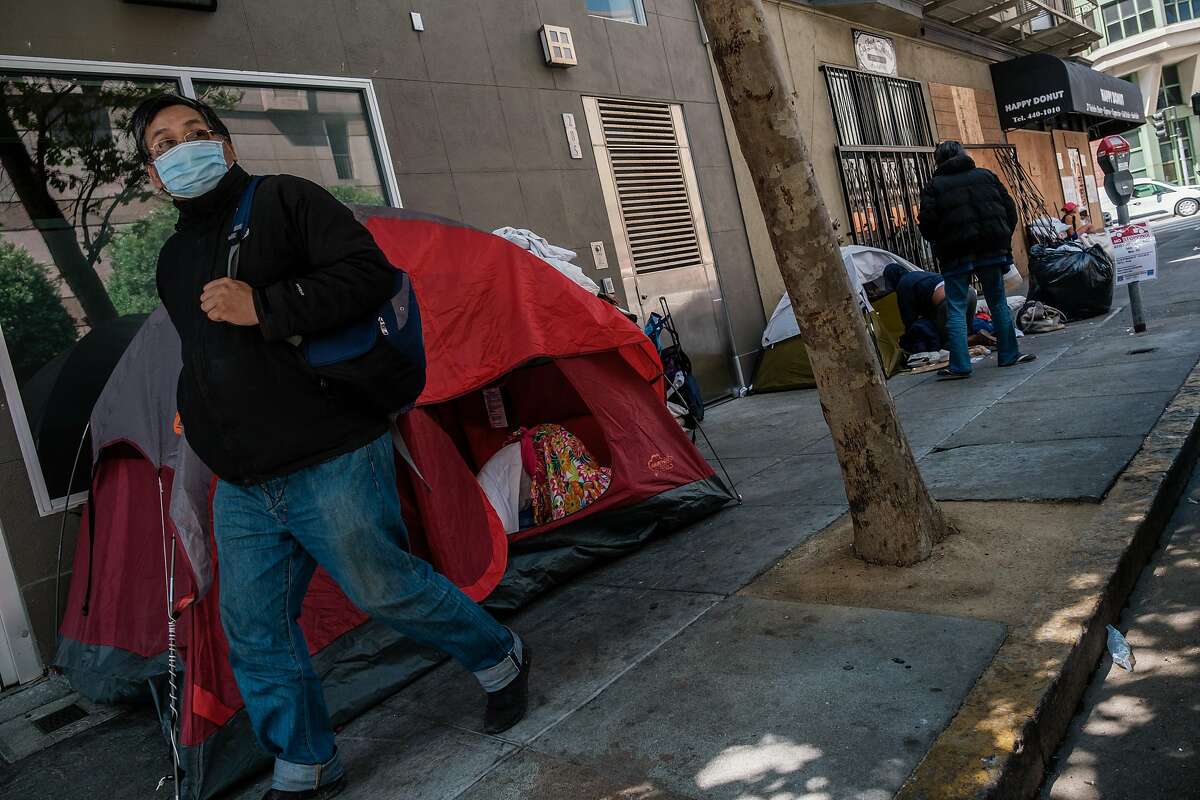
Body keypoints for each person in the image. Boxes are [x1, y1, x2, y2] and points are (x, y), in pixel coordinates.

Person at [132, 94, 531, 800]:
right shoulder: (171, 258)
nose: (183, 145)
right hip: (245, 480)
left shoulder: (286, 201)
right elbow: (204, 351)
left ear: (223, 146)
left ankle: (500, 658)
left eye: (197, 132)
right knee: (253, 628)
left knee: (386, 587)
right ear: (155, 176)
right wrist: (196, 412)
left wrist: (266, 306)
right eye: (163, 143)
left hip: (332, 452)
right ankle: (308, 762)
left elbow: (369, 277)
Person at [917, 141, 1036, 379]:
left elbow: (927, 224)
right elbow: (1010, 211)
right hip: (991, 250)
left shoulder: (934, 186)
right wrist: (1000, 238)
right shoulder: (986, 176)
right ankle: (1009, 354)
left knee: (956, 309)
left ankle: (961, 365)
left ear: (938, 161)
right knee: (997, 302)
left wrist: (942, 243)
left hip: (955, 255)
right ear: (963, 155)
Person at [882, 264, 990, 355]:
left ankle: (977, 339)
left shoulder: (903, 284)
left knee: (945, 342)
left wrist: (909, 338)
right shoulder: (920, 274)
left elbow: (908, 318)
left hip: (948, 300)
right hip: (970, 293)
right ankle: (986, 337)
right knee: (964, 332)